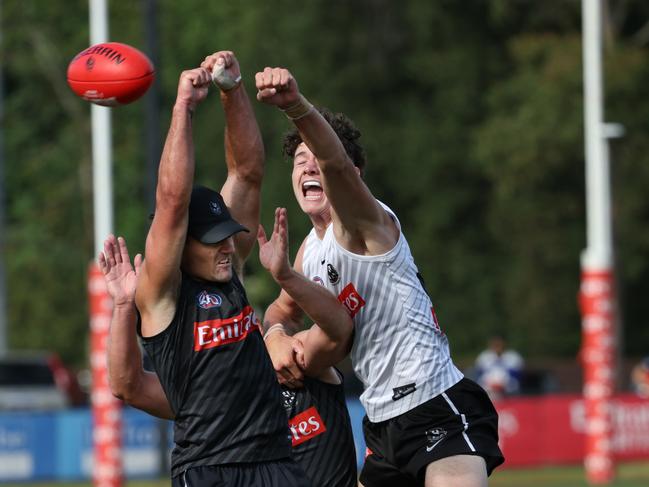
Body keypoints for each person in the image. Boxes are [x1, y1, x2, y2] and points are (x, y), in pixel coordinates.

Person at [255, 66, 505, 487]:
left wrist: (296, 107)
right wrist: (275, 334)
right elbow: (281, 311)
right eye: (300, 162)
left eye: (317, 160)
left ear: (354, 176)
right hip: (381, 424)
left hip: (434, 402)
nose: (309, 169)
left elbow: (336, 165)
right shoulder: (309, 253)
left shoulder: (364, 223)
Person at [131, 50, 310, 486]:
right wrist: (183, 108)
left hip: (275, 460)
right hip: (210, 470)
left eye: (229, 234)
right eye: (214, 240)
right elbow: (172, 203)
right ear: (181, 245)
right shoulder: (161, 294)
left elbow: (247, 172)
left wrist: (232, 89)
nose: (230, 246)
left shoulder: (228, 271)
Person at [100, 220, 358, 486]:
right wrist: (123, 305)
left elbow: (338, 331)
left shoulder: (292, 360)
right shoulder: (213, 397)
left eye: (238, 322)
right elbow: (129, 387)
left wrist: (276, 324)